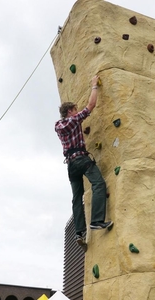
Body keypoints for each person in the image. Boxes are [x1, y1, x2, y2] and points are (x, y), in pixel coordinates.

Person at [55, 74, 113, 246]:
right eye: (75, 109)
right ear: (70, 111)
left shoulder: (59, 126)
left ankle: (79, 232)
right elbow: (91, 105)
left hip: (71, 166)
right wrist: (94, 85)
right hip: (81, 159)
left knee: (76, 198)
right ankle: (96, 221)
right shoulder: (73, 120)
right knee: (99, 184)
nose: (77, 110)